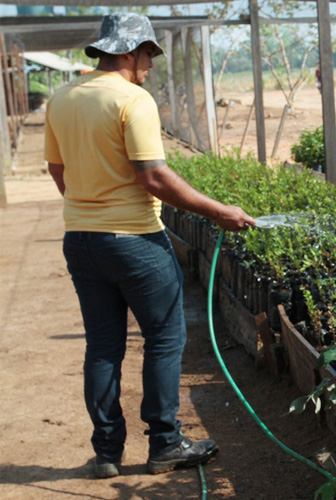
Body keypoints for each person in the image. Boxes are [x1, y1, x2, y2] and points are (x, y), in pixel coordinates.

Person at [43, 13, 255, 479]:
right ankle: (165, 442)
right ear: (128, 51)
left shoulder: (61, 99)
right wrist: (219, 211)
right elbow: (153, 176)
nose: (150, 66)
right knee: (164, 339)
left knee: (102, 346)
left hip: (80, 241)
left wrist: (90, 211)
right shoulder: (131, 100)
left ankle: (106, 452)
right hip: (135, 241)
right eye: (147, 55)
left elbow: (59, 173)